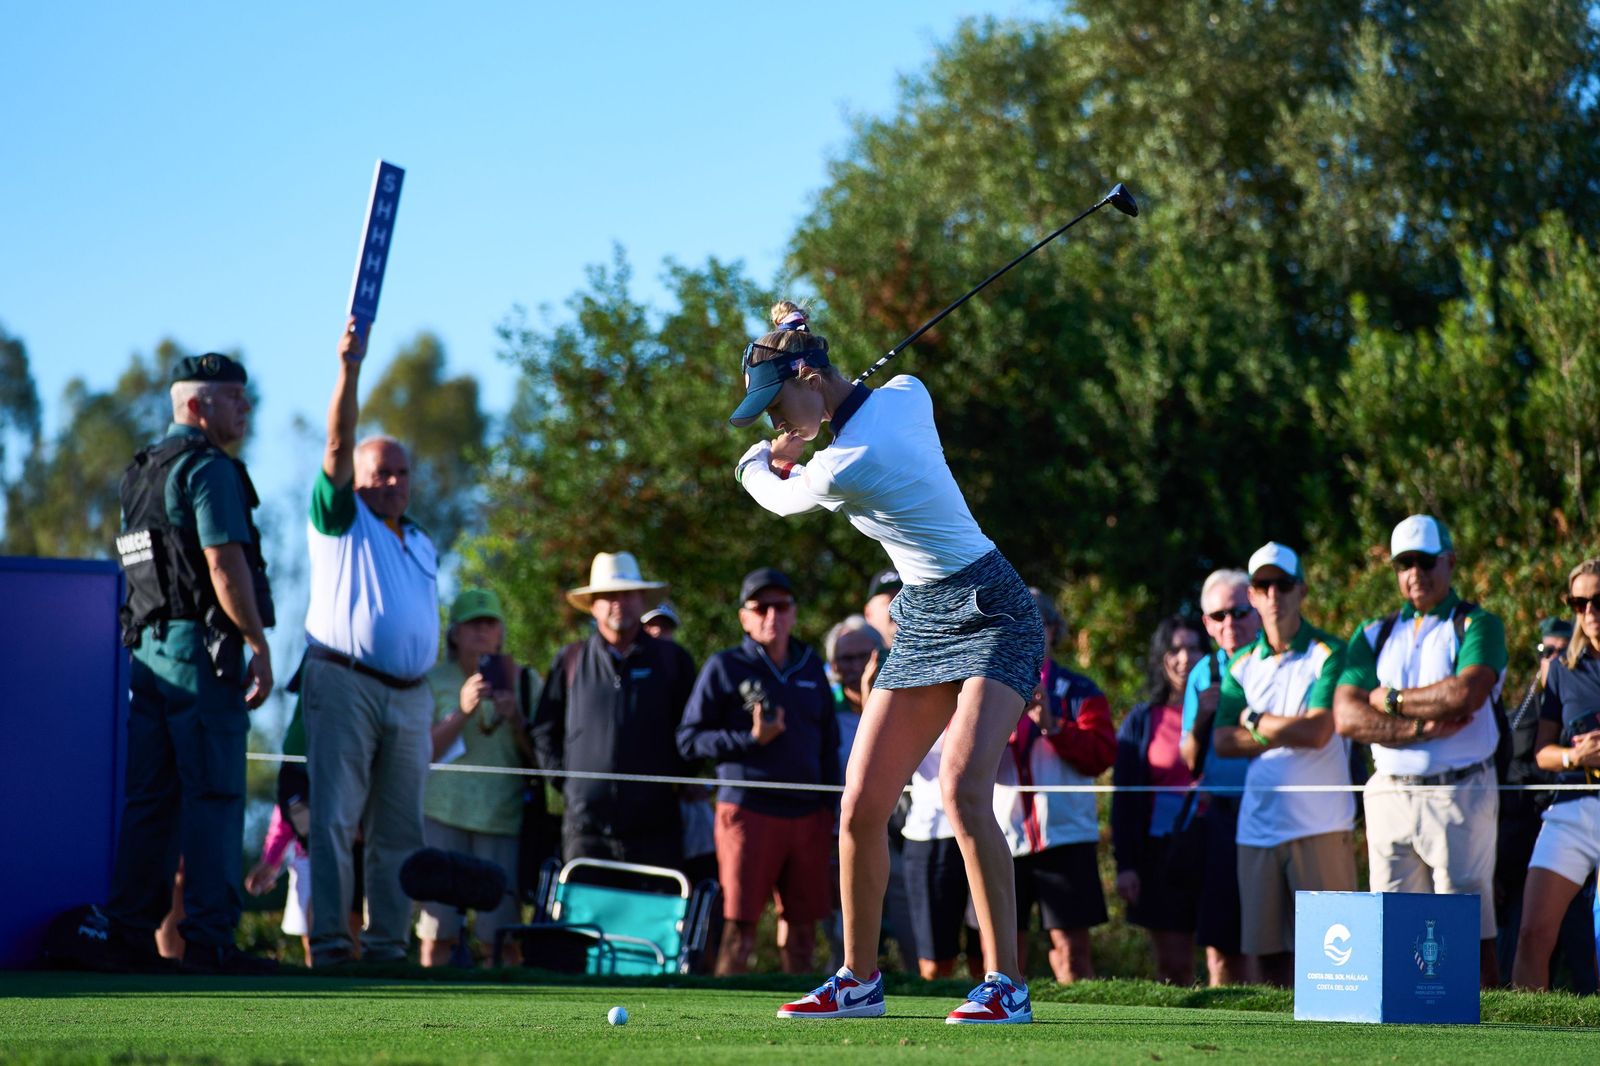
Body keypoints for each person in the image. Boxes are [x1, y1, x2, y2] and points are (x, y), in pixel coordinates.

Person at [732, 301, 1044, 1023]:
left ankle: (1007, 985)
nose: (776, 421)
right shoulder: (908, 392)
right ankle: (859, 979)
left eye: (777, 404)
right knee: (861, 805)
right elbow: (866, 402)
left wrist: (759, 458)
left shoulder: (849, 464)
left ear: (809, 377)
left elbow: (776, 500)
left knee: (966, 791)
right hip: (925, 616)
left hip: (994, 608)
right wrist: (804, 349)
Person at [107, 352, 276, 975]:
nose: (246, 409)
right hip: (200, 656)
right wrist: (256, 640)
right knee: (214, 795)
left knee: (150, 800)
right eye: (236, 398)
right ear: (198, 406)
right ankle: (209, 941)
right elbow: (224, 567)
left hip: (147, 652)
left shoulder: (141, 472)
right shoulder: (209, 470)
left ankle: (129, 936)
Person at [301, 319, 440, 966]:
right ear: (357, 479)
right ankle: (330, 943)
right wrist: (350, 368)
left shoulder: (422, 542)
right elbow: (336, 440)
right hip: (346, 680)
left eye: (402, 473)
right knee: (333, 819)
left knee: (400, 831)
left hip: (411, 697)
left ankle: (387, 948)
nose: (394, 482)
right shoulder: (341, 515)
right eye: (382, 472)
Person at [1333, 514, 1508, 987]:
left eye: (1426, 561)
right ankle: (1405, 1032)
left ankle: (1486, 1026)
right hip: (1389, 791)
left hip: (1458, 791)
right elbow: (1346, 716)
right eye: (1404, 563)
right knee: (1392, 924)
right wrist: (1417, 728)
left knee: (1466, 924)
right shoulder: (1374, 633)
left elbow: (1463, 695)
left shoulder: (1477, 623)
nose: (1416, 573)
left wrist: (1386, 698)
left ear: (1449, 561)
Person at [677, 568, 841, 974]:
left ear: (794, 613)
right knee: (740, 927)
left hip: (808, 816)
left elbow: (829, 745)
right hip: (747, 812)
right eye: (761, 607)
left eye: (781, 606)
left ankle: (803, 1016)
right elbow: (689, 740)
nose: (772, 615)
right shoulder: (724, 666)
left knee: (803, 933)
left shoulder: (811, 668)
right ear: (744, 617)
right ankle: (725, 1017)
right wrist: (750, 740)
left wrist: (829, 810)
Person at [1212, 543, 1356, 987]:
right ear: (1253, 596)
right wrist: (1281, 729)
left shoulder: (1330, 652)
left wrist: (1254, 720)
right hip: (1257, 827)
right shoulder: (1241, 664)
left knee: (1333, 960)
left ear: (1301, 591)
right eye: (1263, 585)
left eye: (1283, 584)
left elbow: (1317, 731)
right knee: (1267, 956)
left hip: (1319, 825)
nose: (1273, 594)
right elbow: (1221, 742)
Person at [532, 551, 696, 870]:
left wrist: (679, 778)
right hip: (585, 830)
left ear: (642, 600)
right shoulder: (570, 659)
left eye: (627, 594)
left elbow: (692, 730)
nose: (618, 602)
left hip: (655, 830)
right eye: (608, 596)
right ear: (593, 606)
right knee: (583, 920)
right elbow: (544, 730)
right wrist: (567, 783)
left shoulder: (672, 660)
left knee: (649, 920)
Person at [993, 590, 1115, 983]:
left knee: (1073, 954)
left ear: (1052, 630)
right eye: (1014, 623)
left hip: (1064, 836)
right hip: (1003, 838)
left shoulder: (1080, 691)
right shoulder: (984, 690)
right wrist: (1000, 733)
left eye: (1036, 623)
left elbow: (1100, 755)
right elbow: (961, 762)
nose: (1026, 632)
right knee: (1002, 951)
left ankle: (1081, 1033)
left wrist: (1054, 727)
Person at [417, 588, 536, 967]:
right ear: (454, 632)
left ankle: (508, 1023)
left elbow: (542, 760)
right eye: (473, 623)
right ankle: (425, 1020)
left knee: (502, 941)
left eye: (490, 623)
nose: (482, 631)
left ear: (502, 630)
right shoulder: (430, 681)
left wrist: (515, 717)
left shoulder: (526, 680)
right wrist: (463, 712)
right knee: (438, 935)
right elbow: (422, 754)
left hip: (501, 819)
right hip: (440, 815)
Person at [1512, 560, 1600, 990]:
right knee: (1532, 936)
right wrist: (1574, 756)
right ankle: (1520, 1049)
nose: (1589, 613)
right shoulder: (1564, 670)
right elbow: (1542, 753)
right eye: (1579, 603)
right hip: (1572, 808)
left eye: (1597, 601)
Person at [1111, 615, 1208, 985]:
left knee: (1228, 961)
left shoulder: (1227, 711)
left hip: (1220, 843)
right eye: (1175, 649)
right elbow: (1124, 800)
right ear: (1161, 658)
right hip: (1160, 854)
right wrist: (1126, 865)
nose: (1185, 659)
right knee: (1174, 968)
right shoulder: (1142, 720)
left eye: (1194, 648)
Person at [1180, 568, 1259, 986]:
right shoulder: (1203, 673)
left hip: (1274, 810)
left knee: (1272, 937)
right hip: (1222, 818)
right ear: (1208, 624)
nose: (1231, 623)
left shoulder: (1279, 660)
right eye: (1219, 616)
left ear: (1258, 611)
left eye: (1240, 612)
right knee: (1221, 941)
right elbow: (1188, 761)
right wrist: (1204, 719)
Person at [864, 569, 902, 648]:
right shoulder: (855, 657)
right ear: (868, 613)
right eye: (889, 600)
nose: (898, 605)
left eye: (904, 599)